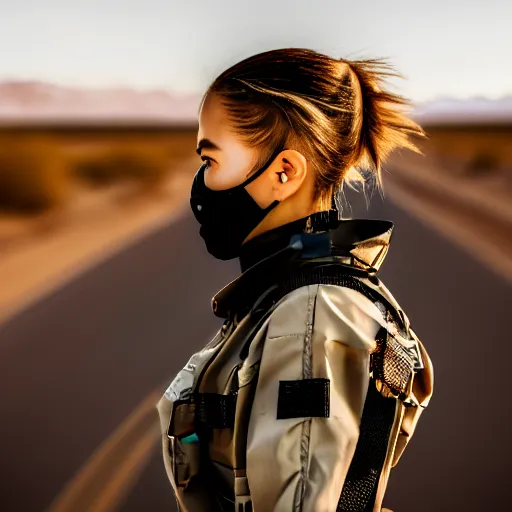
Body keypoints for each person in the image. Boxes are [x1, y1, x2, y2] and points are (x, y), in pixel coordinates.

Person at [157, 47, 434, 512]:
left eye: (211, 160)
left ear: (283, 172)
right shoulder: (287, 292)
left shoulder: (314, 311)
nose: (202, 182)